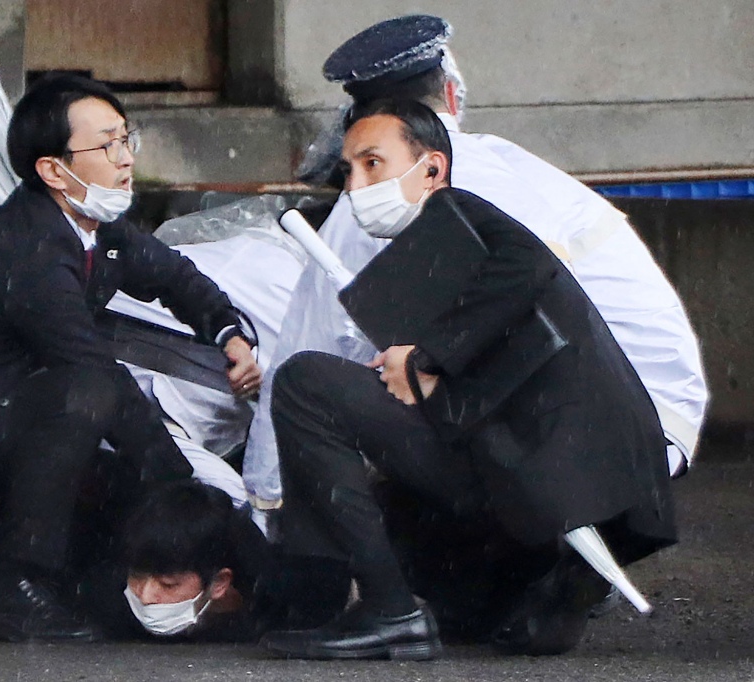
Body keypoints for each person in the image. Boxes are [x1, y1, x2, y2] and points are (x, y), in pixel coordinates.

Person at [0, 73, 261, 641]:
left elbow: (176, 277)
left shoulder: (94, 228)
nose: (124, 159)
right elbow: (94, 375)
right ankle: (11, 583)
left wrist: (231, 334)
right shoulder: (30, 253)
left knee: (110, 482)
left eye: (125, 139)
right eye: (105, 146)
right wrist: (182, 495)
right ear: (53, 170)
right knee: (85, 399)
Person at [259, 99, 676, 660]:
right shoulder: (426, 248)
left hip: (539, 471)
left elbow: (525, 269)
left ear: (432, 169)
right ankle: (513, 595)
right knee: (472, 606)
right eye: (349, 171)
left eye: (373, 164)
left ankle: (386, 610)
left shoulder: (460, 217)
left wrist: (425, 360)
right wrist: (415, 373)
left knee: (305, 382)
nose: (356, 185)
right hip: (527, 480)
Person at [243, 15, 708, 512]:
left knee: (327, 390)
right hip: (660, 417)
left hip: (596, 435)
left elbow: (314, 337)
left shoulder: (403, 184)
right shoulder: (500, 159)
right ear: (449, 93)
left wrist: (266, 499)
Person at [76, 479, 349, 642]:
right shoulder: (100, 597)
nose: (145, 596)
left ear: (219, 582)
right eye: (136, 577)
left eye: (168, 584)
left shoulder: (286, 603)